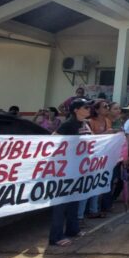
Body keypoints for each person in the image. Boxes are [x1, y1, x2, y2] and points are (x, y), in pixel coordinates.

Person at [48, 98, 92, 247]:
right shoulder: (68, 124)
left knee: (75, 199)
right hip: (65, 170)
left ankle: (73, 229)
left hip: (78, 168)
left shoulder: (85, 124)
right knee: (61, 204)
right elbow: (52, 141)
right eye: (85, 107)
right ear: (76, 110)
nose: (88, 109)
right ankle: (56, 236)